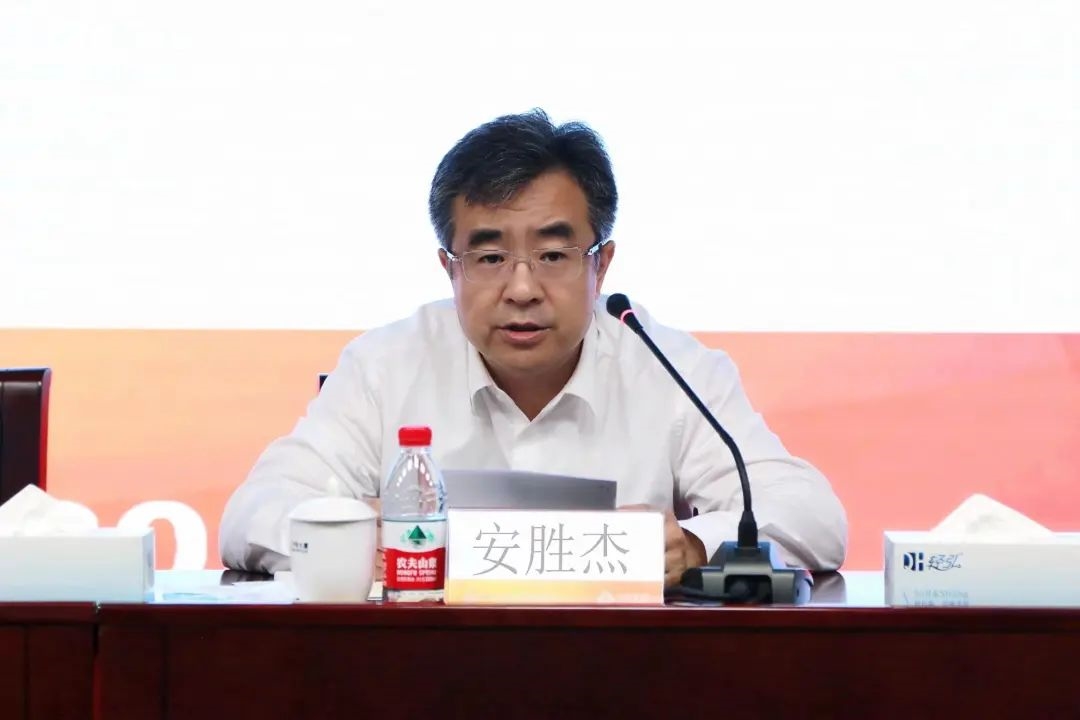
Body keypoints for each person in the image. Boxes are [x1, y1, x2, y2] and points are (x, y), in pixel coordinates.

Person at [219, 109, 847, 586]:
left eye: (552, 255)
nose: (522, 288)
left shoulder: (670, 368)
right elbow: (252, 514)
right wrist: (354, 537)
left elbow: (813, 516)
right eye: (490, 257)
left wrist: (697, 545)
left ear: (601, 264)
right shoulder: (385, 367)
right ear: (450, 268)